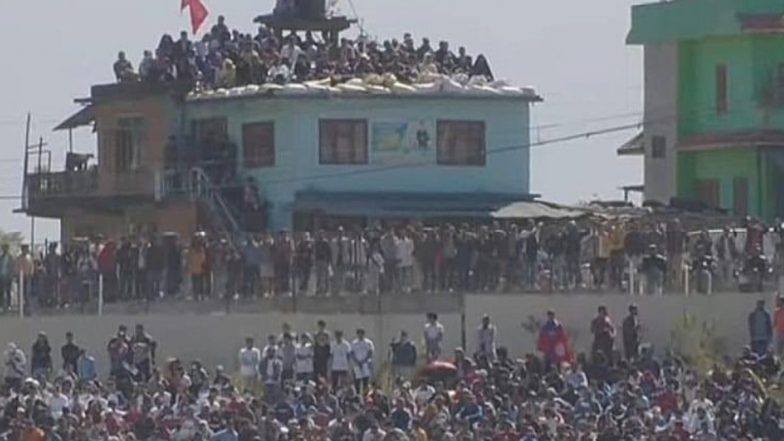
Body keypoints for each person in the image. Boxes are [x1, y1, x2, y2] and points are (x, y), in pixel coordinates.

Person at [350, 328, 374, 394]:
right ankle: (357, 396)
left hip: (365, 364)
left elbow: (370, 352)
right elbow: (352, 353)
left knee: (365, 382)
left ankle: (365, 396)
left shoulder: (368, 342)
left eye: (362, 333)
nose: (360, 335)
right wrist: (357, 361)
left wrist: (364, 361)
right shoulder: (354, 343)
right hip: (356, 365)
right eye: (359, 333)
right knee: (357, 382)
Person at [0, 243, 14, 311]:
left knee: (8, 291)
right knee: (1, 292)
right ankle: (1, 305)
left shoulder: (10, 257)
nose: (5, 250)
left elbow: (12, 267)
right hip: (1, 277)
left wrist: (11, 275)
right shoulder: (1, 257)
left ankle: (9, 305)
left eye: (6, 248)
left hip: (8, 277)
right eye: (4, 248)